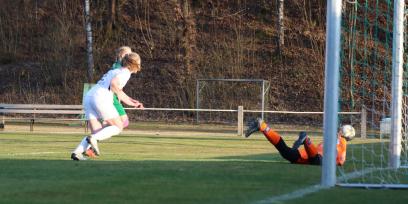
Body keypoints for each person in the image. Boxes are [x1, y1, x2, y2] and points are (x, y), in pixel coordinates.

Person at [71, 52, 144, 161]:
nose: (139, 68)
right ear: (133, 64)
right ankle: (94, 139)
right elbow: (114, 84)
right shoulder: (125, 73)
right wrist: (120, 95)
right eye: (138, 64)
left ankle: (77, 153)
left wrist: (131, 101)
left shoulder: (115, 70)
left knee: (98, 131)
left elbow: (117, 89)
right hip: (101, 98)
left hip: (90, 96)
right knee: (118, 126)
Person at [245, 118, 355, 166]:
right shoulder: (342, 141)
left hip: (307, 155)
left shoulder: (335, 139)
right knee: (317, 161)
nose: (338, 130)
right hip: (316, 155)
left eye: (340, 129)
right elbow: (340, 160)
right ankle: (306, 140)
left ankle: (263, 127)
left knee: (286, 152)